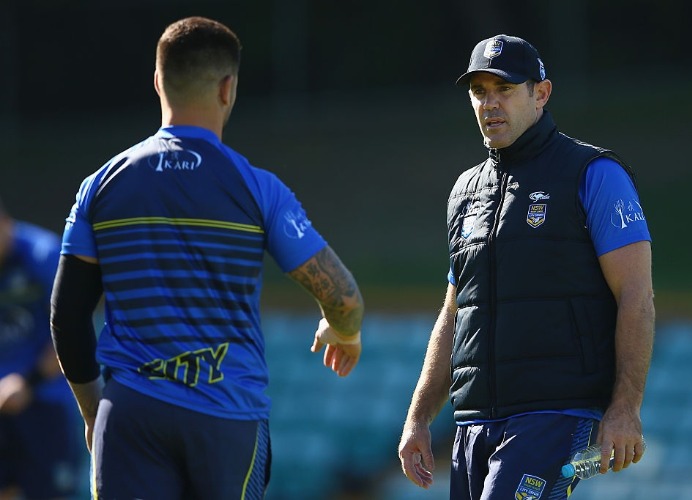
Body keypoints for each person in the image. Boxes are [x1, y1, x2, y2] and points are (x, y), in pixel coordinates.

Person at [50, 16, 364, 499]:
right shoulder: (258, 188)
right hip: (227, 417)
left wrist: (98, 413)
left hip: (131, 413)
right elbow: (344, 297)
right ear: (227, 88)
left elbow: (67, 315)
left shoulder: (101, 186)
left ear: (158, 82)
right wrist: (342, 329)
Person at [398, 34, 654, 499]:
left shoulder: (593, 174)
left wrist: (625, 407)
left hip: (555, 416)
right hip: (474, 423)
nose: (490, 104)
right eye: (479, 91)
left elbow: (636, 295)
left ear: (541, 93)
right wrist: (418, 417)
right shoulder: (465, 192)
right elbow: (456, 312)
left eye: (505, 89)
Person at [0, 198, 86, 499]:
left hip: (45, 400)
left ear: (5, 223)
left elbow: (71, 331)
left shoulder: (44, 253)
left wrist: (27, 383)